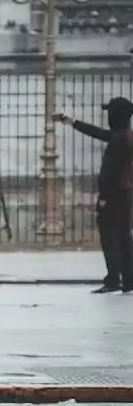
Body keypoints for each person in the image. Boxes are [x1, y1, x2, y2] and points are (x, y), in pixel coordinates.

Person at [55, 97, 133, 293]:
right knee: (124, 237)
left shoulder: (118, 141)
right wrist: (72, 122)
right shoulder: (126, 136)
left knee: (110, 237)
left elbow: (109, 171)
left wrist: (104, 197)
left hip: (113, 196)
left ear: (114, 115)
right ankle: (129, 280)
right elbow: (99, 133)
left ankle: (113, 279)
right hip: (126, 195)